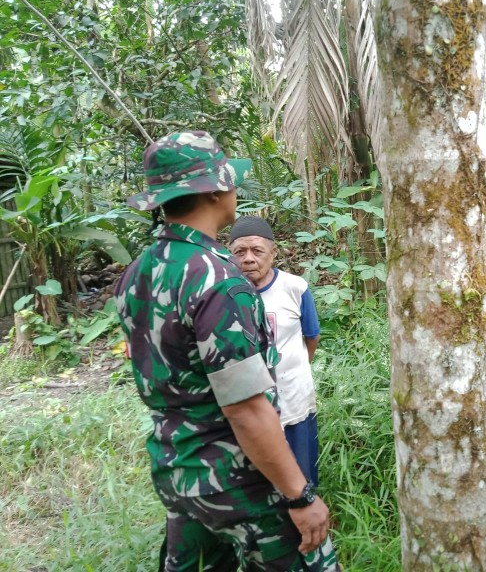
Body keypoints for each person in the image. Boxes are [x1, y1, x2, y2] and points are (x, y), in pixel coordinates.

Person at [114, 130, 339, 571]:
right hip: (238, 482)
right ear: (218, 191)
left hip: (177, 473)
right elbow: (247, 409)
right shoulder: (219, 281)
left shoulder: (138, 272)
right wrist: (300, 494)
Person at [229, 216, 322, 486]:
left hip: (293, 396)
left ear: (273, 253)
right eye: (239, 252)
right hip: (247, 403)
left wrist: (295, 369)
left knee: (301, 471)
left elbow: (311, 336)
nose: (248, 259)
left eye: (257, 251)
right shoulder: (223, 293)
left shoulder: (295, 288)